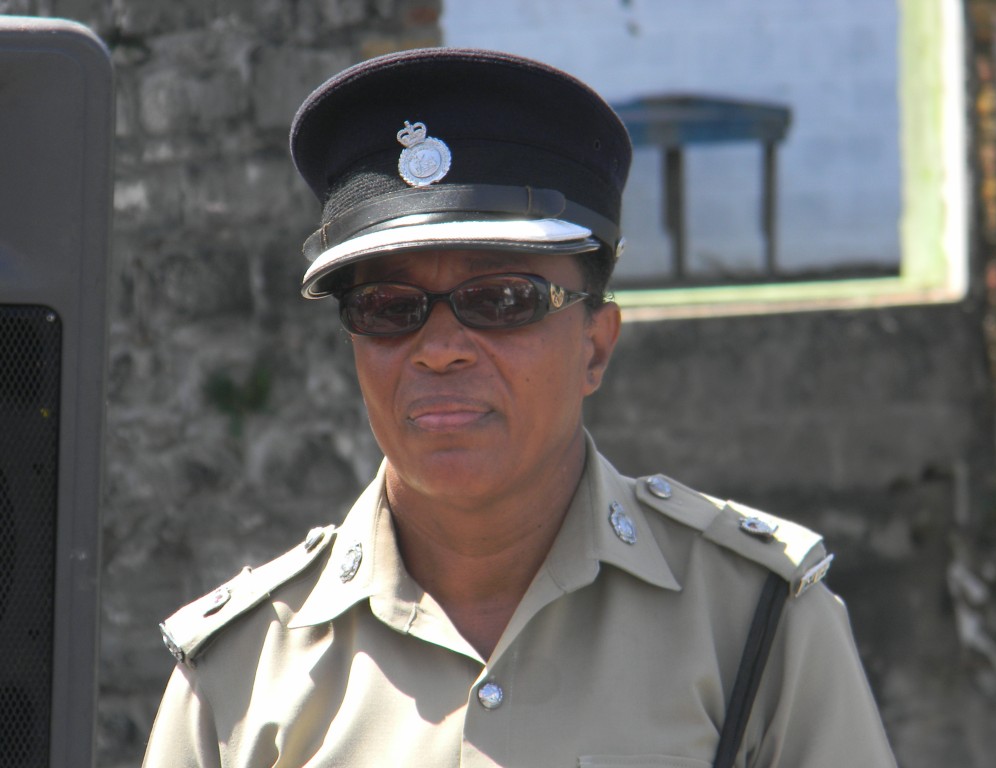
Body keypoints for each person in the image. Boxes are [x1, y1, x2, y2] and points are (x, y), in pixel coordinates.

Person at [142, 48, 897, 767]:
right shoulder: (241, 674)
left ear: (595, 347)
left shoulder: (754, 622)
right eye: (388, 307)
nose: (440, 350)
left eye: (502, 299)